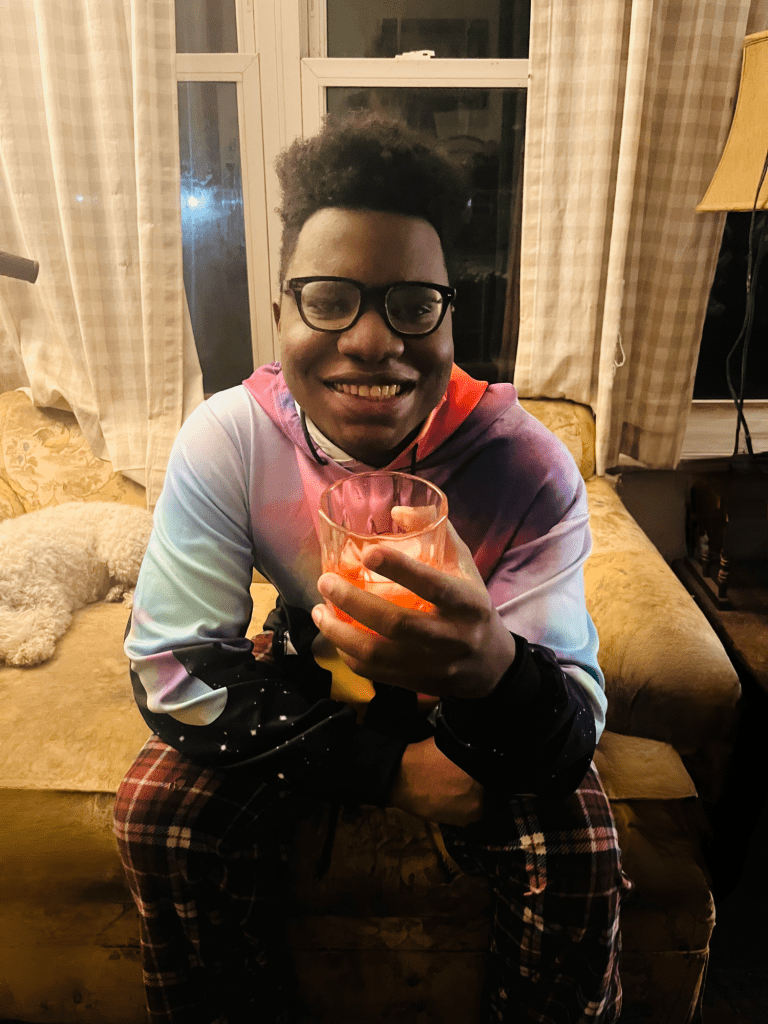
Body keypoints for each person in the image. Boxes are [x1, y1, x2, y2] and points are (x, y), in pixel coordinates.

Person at [114, 111, 632, 1024]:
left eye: (410, 303)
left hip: (485, 709)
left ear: (448, 317)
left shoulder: (527, 465)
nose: (369, 341)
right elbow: (171, 665)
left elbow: (570, 719)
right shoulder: (231, 438)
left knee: (582, 847)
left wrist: (495, 673)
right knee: (158, 812)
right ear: (279, 312)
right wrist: (386, 768)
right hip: (315, 683)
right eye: (327, 298)